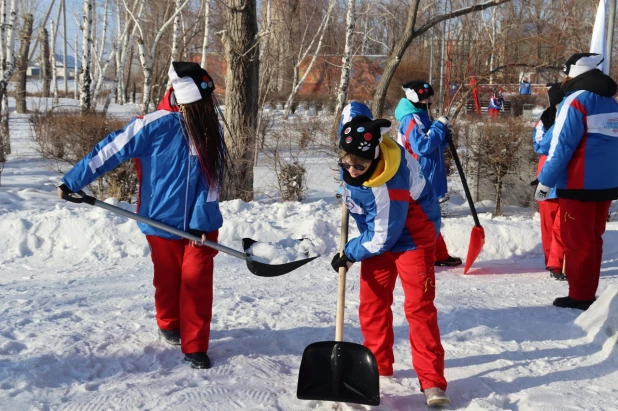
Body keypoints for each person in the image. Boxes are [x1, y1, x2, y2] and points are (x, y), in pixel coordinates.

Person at [57, 62, 226, 368]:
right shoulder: (154, 125)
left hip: (202, 224)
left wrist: (203, 219)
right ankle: (169, 322)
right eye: (200, 105)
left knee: (196, 282)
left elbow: (214, 178)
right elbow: (111, 149)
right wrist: (73, 180)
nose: (207, 109)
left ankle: (195, 344)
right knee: (168, 278)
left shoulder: (209, 127)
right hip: (159, 220)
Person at [331, 104, 449, 407]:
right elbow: (354, 112)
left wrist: (350, 253)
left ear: (374, 157)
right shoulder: (359, 144)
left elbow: (384, 236)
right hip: (379, 235)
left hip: (412, 238)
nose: (352, 169)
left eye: (360, 165)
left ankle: (432, 381)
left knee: (419, 309)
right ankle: (379, 366)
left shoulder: (387, 181)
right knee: (372, 304)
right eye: (346, 162)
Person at [536, 53, 618, 310]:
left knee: (578, 241)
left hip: (578, 182)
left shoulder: (575, 101)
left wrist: (544, 181)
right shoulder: (610, 102)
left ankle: (581, 295)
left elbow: (561, 147)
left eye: (566, 72)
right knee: (593, 238)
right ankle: (586, 290)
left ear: (574, 72)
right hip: (606, 184)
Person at [394, 80, 462, 267]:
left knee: (431, 217)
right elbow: (421, 146)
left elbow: (433, 146)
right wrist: (438, 128)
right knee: (422, 219)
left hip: (430, 175)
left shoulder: (423, 116)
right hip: (417, 178)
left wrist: (444, 135)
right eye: (427, 97)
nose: (430, 100)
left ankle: (438, 254)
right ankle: (417, 255)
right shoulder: (410, 118)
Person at [531, 83, 565, 280]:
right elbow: (540, 146)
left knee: (565, 225)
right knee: (548, 224)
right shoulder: (544, 121)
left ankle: (557, 262)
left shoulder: (577, 118)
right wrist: (558, 125)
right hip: (547, 178)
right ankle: (551, 260)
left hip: (570, 179)